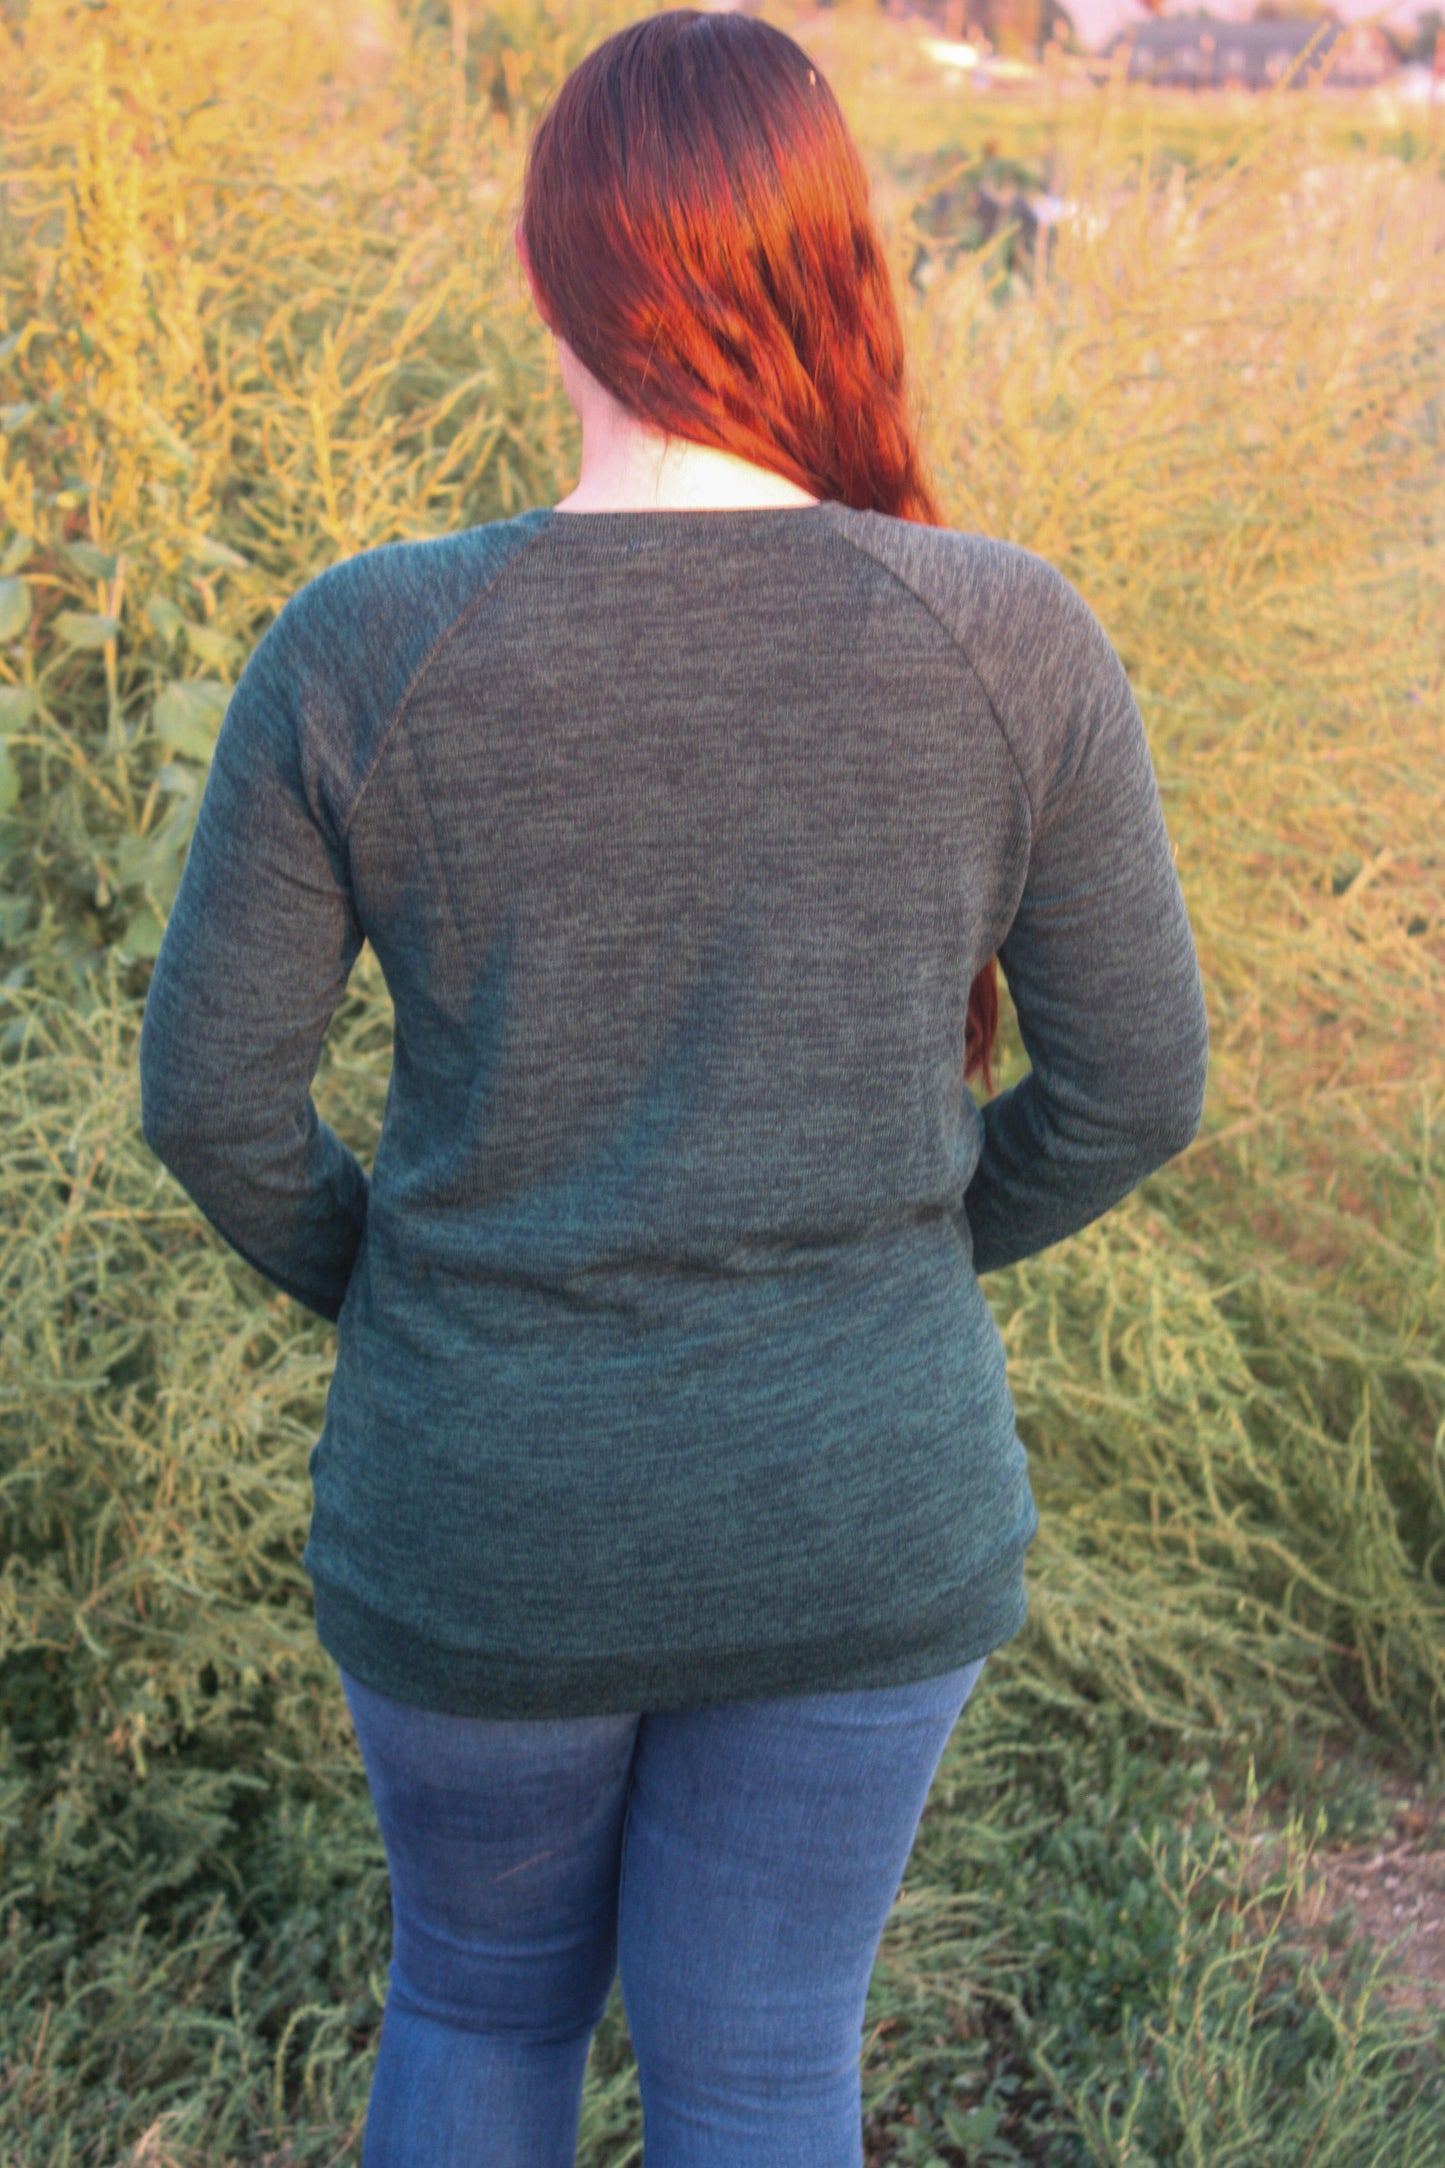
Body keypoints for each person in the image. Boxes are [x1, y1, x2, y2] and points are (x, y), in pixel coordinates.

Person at [137, 10, 1209, 2164]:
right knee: (760, 2067)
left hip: (481, 1513)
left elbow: (212, 1104)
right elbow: (1136, 1089)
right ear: (839, 273)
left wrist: (417, 1297)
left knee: (473, 2001)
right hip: (861, 1499)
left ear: (546, 283)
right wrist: (897, 1254)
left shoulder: (362, 649)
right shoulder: (1011, 637)